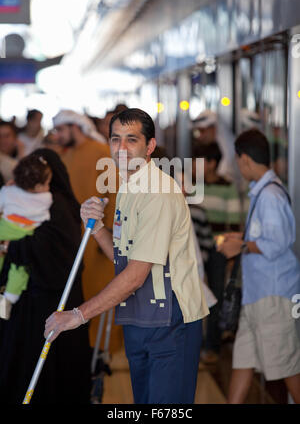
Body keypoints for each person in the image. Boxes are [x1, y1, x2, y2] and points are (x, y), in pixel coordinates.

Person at [44, 108, 209, 404]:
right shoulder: (127, 187)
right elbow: (122, 258)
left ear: (149, 146)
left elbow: (136, 275)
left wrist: (78, 315)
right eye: (115, 139)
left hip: (170, 322)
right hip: (139, 318)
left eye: (131, 140)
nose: (121, 148)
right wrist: (97, 228)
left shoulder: (157, 192)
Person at [0, 148, 91, 404]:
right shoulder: (33, 199)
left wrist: (10, 245)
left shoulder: (58, 206)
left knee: (41, 367)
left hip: (48, 301)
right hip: (33, 298)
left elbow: (53, 252)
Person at [218, 128, 300, 404]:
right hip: (256, 296)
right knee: (243, 362)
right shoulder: (263, 192)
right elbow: (266, 237)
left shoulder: (270, 196)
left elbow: (277, 243)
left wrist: (241, 246)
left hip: (273, 296)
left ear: (244, 161)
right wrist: (242, 239)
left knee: (287, 368)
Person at [52, 109, 122, 354]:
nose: (57, 136)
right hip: (74, 238)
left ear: (75, 127)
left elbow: (114, 196)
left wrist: (111, 235)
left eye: (61, 130)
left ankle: (103, 354)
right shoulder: (66, 155)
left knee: (101, 294)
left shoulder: (102, 153)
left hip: (99, 240)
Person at [194, 143, 244, 364]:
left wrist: (223, 249)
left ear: (212, 163)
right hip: (193, 249)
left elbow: (233, 225)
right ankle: (195, 343)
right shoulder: (192, 185)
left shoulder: (227, 187)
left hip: (217, 251)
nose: (195, 165)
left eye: (200, 160)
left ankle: (211, 345)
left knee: (213, 296)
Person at [0, 153, 52, 320]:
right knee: (20, 269)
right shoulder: (47, 199)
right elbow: (45, 220)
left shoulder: (7, 191)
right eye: (47, 183)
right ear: (37, 187)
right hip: (23, 235)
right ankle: (7, 300)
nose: (48, 187)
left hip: (4, 228)